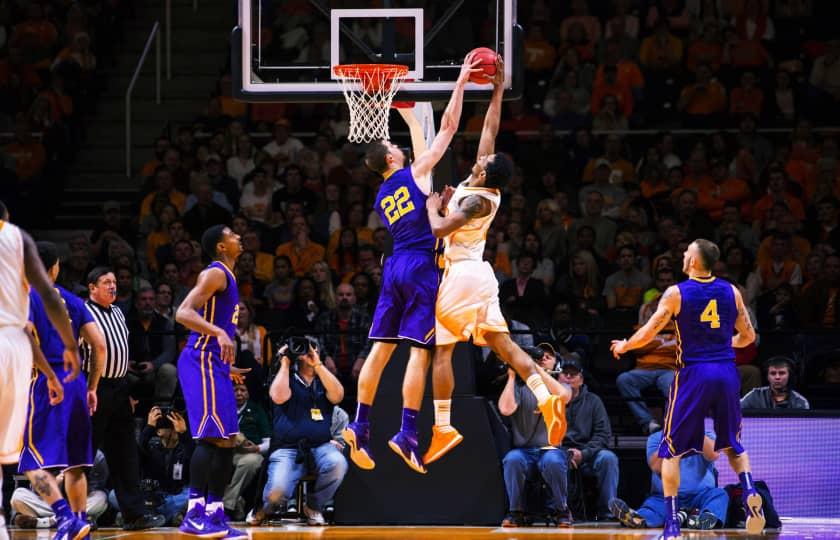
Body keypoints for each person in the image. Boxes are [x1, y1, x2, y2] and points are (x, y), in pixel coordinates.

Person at [422, 57, 570, 469]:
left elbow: (439, 228)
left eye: (485, 161)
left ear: (486, 174)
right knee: (505, 346)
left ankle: (443, 427)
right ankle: (546, 398)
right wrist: (497, 90)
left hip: (462, 275)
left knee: (442, 352)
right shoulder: (482, 184)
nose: (481, 156)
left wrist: (434, 207)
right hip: (480, 276)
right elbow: (490, 128)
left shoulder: (475, 201)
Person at [342, 53, 484, 474]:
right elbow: (447, 130)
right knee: (419, 353)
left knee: (380, 349)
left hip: (393, 266)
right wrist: (459, 82)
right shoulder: (415, 173)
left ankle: (360, 424)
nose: (398, 147)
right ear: (389, 160)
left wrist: (409, 113)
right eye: (393, 147)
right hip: (421, 266)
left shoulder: (381, 195)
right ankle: (406, 433)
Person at [610, 239, 764, 539]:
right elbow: (748, 336)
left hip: (693, 373)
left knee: (671, 451)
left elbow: (649, 331)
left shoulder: (676, 292)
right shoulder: (732, 291)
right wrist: (724, 343)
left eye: (686, 252)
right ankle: (749, 491)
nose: (682, 255)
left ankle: (671, 523)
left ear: (693, 260)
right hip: (726, 371)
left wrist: (625, 345)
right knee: (733, 444)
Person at [0, 201, 81, 540]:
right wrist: (69, 347)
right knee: (22, 451)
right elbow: (48, 293)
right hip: (14, 348)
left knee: (26, 454)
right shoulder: (17, 240)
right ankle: (65, 515)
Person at [18, 242, 108, 537]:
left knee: (32, 461)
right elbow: (100, 345)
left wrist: (47, 374)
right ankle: (80, 524)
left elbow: (25, 338)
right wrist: (92, 387)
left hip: (47, 381)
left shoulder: (28, 297)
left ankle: (65, 518)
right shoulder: (73, 300)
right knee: (76, 465)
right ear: (55, 267)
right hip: (78, 382)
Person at [175, 224, 247, 539]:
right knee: (210, 437)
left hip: (216, 364)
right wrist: (217, 333)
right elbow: (183, 313)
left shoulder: (228, 275)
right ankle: (194, 514)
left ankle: (215, 515)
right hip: (200, 360)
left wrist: (226, 365)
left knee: (227, 440)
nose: (239, 237)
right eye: (232, 235)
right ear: (220, 246)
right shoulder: (215, 273)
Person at [82, 267, 166, 531]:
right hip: (93, 387)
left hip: (119, 387)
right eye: (106, 282)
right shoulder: (83, 312)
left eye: (114, 281)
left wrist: (126, 391)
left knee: (126, 453)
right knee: (85, 452)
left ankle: (134, 514)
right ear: (92, 287)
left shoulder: (118, 312)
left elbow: (120, 353)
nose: (113, 286)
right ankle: (76, 513)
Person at [250, 341, 346, 526]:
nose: (309, 351)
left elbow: (338, 396)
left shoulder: (323, 379)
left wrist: (317, 364)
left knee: (338, 463)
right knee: (277, 491)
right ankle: (264, 509)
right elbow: (278, 397)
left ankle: (314, 506)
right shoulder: (286, 377)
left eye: (313, 348)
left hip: (320, 446)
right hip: (287, 448)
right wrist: (285, 362)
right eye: (304, 348)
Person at [498, 346, 573, 528]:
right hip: (524, 450)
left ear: (556, 363)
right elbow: (505, 409)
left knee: (553, 461)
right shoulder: (520, 387)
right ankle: (515, 511)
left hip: (551, 449)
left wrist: (535, 369)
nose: (543, 359)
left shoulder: (560, 385)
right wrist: (512, 376)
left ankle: (562, 510)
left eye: (548, 357)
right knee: (512, 459)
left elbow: (564, 397)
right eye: (539, 357)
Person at [610, 431, 728, 531]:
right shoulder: (656, 438)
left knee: (719, 494)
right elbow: (656, 466)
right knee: (653, 506)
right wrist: (674, 439)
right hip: (665, 497)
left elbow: (713, 454)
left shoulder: (707, 434)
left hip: (700, 496)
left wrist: (694, 430)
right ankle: (637, 519)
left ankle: (706, 519)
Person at [556, 358, 619, 520]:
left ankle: (608, 512)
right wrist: (565, 453)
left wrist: (583, 454)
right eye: (564, 373)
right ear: (557, 377)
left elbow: (603, 434)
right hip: (559, 453)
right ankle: (560, 512)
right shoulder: (550, 400)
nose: (568, 377)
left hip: (588, 454)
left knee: (608, 458)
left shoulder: (593, 401)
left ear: (581, 380)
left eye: (573, 374)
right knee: (552, 460)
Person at [11, 451, 110, 529]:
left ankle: (48, 522)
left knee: (101, 497)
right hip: (53, 504)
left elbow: (96, 487)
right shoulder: (44, 453)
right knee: (18, 495)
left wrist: (76, 482)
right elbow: (36, 490)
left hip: (80, 503)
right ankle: (71, 520)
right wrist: (54, 484)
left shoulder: (96, 457)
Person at [136, 406, 195, 525]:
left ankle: (152, 516)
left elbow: (194, 458)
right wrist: (149, 427)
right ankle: (171, 516)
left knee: (192, 495)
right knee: (113, 495)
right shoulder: (150, 446)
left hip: (175, 497)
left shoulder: (185, 447)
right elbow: (136, 454)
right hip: (151, 496)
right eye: (169, 425)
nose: (174, 427)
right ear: (158, 431)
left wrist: (184, 433)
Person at [224, 383, 271, 519]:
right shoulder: (223, 409)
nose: (239, 393)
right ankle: (236, 502)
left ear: (248, 393)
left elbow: (269, 442)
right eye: (235, 390)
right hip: (226, 451)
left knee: (250, 463)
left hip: (250, 452)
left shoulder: (257, 410)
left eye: (243, 390)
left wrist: (257, 448)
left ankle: (227, 505)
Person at [740, 356, 809, 409]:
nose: (777, 377)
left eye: (782, 373)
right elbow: (736, 411)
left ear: (789, 376)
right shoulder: (755, 395)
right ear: (767, 377)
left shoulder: (800, 402)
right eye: (773, 373)